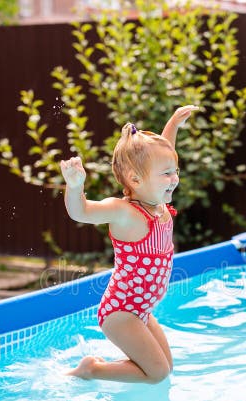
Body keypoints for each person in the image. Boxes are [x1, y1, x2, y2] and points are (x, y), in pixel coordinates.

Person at [60, 105, 199, 383]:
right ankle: (91, 370)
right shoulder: (125, 212)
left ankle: (108, 368)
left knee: (165, 368)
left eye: (175, 171)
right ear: (136, 179)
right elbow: (82, 212)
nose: (174, 179)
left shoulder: (156, 203)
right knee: (157, 373)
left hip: (141, 310)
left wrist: (172, 123)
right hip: (121, 312)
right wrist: (75, 188)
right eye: (167, 174)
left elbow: (162, 154)